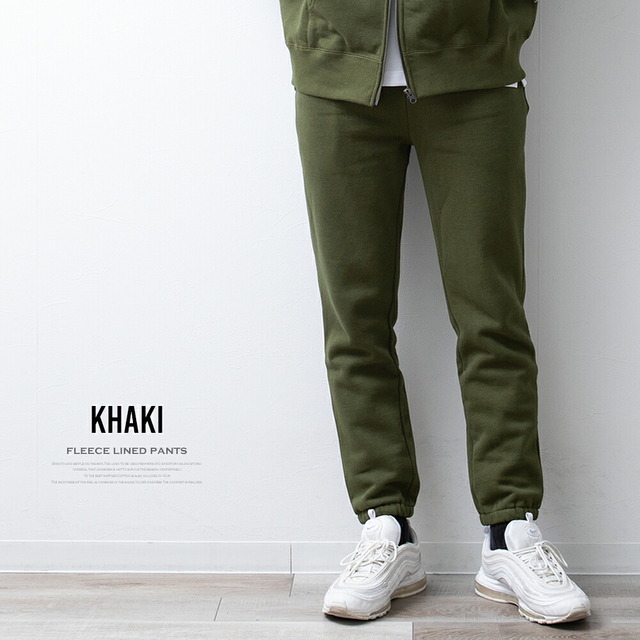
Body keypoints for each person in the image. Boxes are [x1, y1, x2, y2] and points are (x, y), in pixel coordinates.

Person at [278, 0, 591, 625]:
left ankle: (509, 532)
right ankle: (385, 526)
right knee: (354, 321)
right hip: (335, 70)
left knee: (491, 317)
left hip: (475, 69)